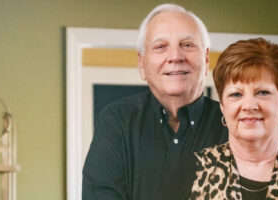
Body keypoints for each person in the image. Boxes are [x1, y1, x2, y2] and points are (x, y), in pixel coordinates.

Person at [82, 3, 228, 200]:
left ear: (207, 58)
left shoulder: (233, 124)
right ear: (141, 64)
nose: (176, 56)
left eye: (187, 45)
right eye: (160, 47)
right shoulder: (116, 121)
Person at [188, 38, 278, 199]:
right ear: (222, 105)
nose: (249, 106)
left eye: (262, 92)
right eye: (236, 94)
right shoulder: (192, 170)